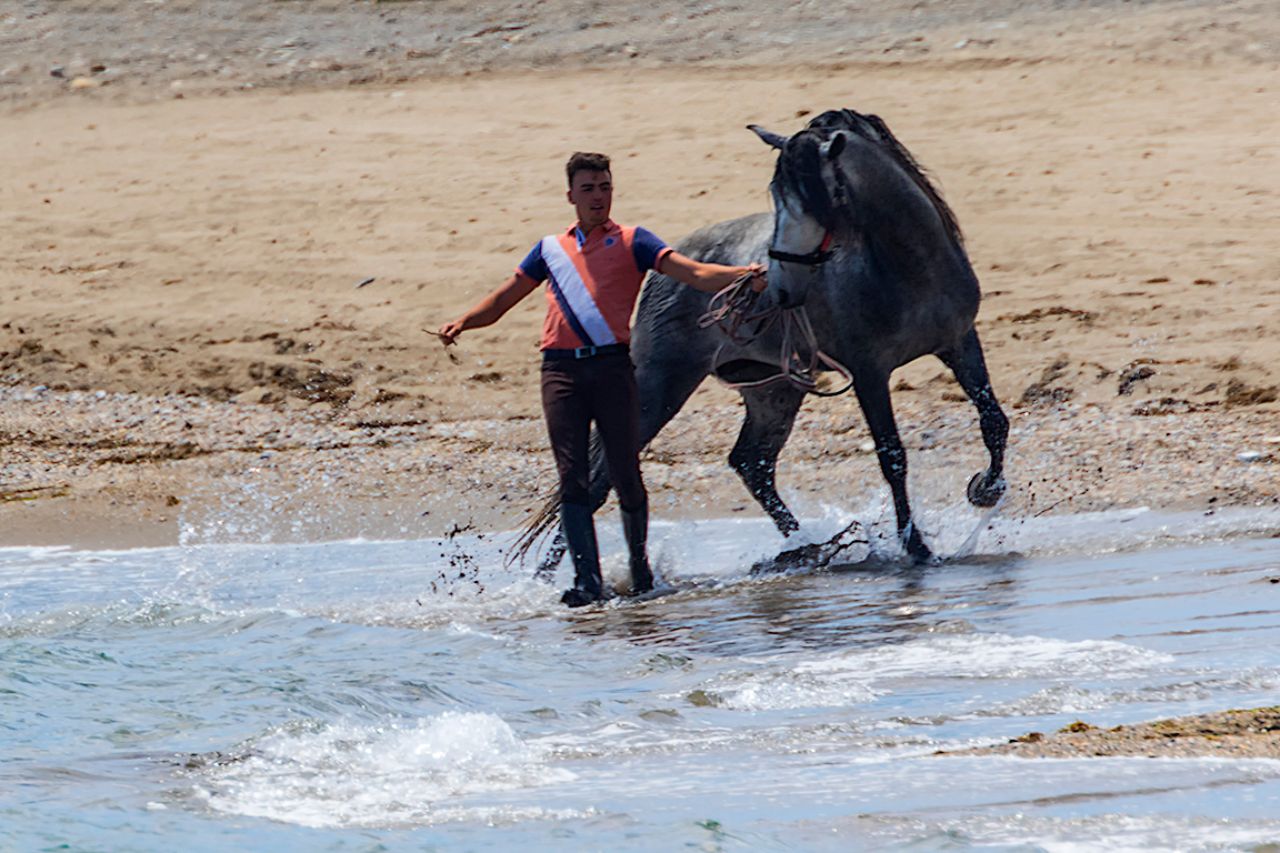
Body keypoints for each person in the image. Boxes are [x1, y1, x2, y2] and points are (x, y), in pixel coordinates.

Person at [438, 151, 763, 607]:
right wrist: (462, 323)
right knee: (573, 477)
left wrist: (743, 276)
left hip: (612, 368)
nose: (598, 196)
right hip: (560, 371)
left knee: (625, 474)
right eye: (588, 188)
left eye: (605, 187)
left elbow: (693, 273)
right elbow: (503, 299)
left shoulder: (634, 241)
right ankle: (586, 582)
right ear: (570, 195)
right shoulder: (550, 249)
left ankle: (639, 568)